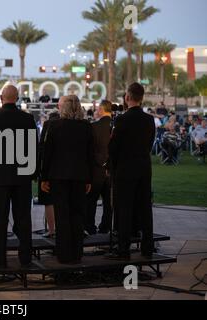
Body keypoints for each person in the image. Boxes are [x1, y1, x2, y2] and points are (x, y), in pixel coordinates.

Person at [0, 85, 38, 268]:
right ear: (18, 98)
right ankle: (25, 257)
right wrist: (33, 173)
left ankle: (0, 257)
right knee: (23, 217)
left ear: (0, 97)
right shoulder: (28, 119)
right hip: (22, 176)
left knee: (0, 218)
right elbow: (33, 149)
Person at [41, 95, 94, 264]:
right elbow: (90, 155)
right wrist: (89, 178)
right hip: (79, 176)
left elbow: (47, 153)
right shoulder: (86, 127)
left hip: (58, 176)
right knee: (78, 215)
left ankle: (63, 254)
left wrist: (44, 177)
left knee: (62, 215)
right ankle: (76, 253)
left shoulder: (55, 125)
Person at [107, 82, 155, 260]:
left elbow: (113, 147)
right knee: (145, 208)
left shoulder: (122, 120)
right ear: (141, 98)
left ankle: (123, 249)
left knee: (124, 209)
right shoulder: (149, 119)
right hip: (143, 167)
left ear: (127, 97)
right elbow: (150, 143)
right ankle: (147, 248)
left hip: (125, 169)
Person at [85, 100, 113, 235]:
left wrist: (99, 162)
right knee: (109, 203)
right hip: (111, 170)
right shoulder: (115, 126)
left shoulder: (93, 127)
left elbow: (89, 150)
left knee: (91, 201)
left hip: (96, 170)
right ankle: (105, 227)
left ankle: (90, 227)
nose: (95, 111)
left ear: (101, 109)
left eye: (97, 109)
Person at [37, 111, 60, 238]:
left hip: (48, 169)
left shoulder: (48, 125)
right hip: (61, 168)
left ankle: (52, 230)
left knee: (48, 202)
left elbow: (42, 148)